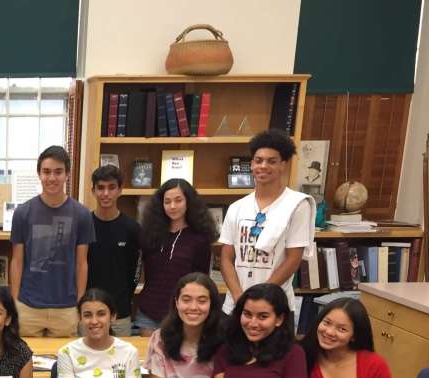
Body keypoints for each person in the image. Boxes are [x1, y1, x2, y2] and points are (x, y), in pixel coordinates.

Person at [219, 129, 315, 319]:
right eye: (258, 160)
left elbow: (293, 259)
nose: (263, 166)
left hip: (273, 305)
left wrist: (260, 298)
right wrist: (239, 297)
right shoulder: (237, 207)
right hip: (236, 305)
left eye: (271, 161)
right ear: (251, 164)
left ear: (283, 165)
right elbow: (226, 258)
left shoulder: (297, 205)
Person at [9, 145, 95, 337]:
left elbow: (82, 263)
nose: (52, 178)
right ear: (39, 174)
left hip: (66, 307)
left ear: (67, 174)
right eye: (46, 172)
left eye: (58, 172)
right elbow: (17, 261)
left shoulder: (82, 214)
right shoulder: (22, 213)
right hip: (28, 306)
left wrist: (80, 302)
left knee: (63, 357)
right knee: (25, 356)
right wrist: (15, 301)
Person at [135, 179, 216, 335]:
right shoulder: (150, 233)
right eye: (167, 201)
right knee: (149, 350)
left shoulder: (200, 239)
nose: (172, 206)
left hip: (184, 312)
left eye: (178, 200)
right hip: (149, 311)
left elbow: (202, 279)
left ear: (188, 202)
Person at [86, 164, 140, 336]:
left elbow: (136, 271)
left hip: (120, 314)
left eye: (111, 187)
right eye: (101, 188)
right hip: (88, 312)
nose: (106, 193)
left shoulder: (132, 228)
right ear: (93, 191)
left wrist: (125, 299)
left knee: (120, 354)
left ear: (120, 190)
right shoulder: (83, 225)